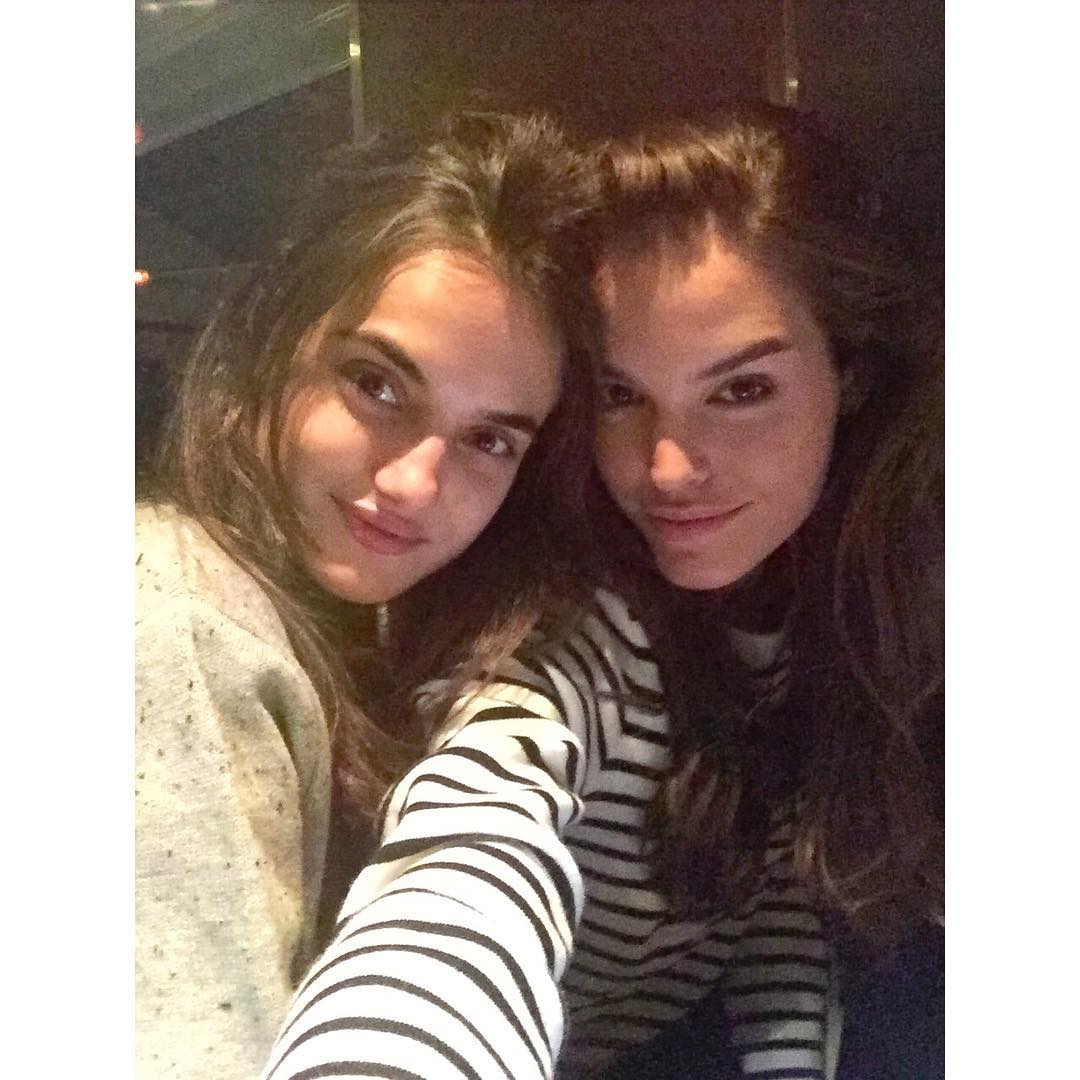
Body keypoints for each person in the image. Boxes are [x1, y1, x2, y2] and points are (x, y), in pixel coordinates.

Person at [261, 109, 943, 1080]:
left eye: (741, 391)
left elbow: (784, 921)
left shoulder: (859, 606)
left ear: (853, 375)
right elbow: (473, 845)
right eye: (622, 396)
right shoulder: (572, 627)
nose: (668, 469)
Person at [135, 111, 602, 1080]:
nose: (415, 484)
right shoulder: (176, 625)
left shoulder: (354, 624)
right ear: (273, 340)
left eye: (489, 440)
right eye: (377, 385)